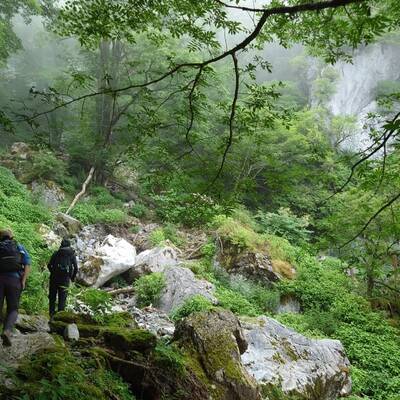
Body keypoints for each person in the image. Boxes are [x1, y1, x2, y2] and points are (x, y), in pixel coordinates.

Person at [0, 228, 31, 346]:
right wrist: (23, 280)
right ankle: (7, 331)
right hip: (14, 280)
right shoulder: (18, 246)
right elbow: (27, 263)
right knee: (13, 308)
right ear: (11, 236)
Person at [47, 239, 78, 318]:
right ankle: (60, 317)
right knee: (62, 298)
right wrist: (72, 278)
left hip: (54, 278)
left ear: (61, 245)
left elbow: (49, 265)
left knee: (52, 297)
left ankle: (51, 315)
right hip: (65, 279)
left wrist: (53, 272)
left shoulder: (56, 253)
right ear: (69, 245)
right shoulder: (72, 255)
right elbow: (76, 268)